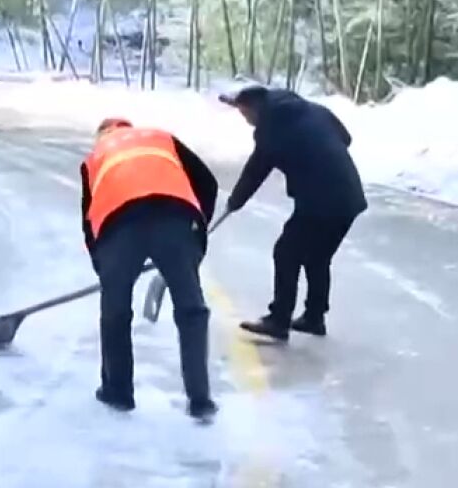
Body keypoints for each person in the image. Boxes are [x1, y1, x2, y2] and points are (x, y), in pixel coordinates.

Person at [80, 117, 220, 420]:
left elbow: (89, 221)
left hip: (119, 225)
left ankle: (118, 392)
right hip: (175, 219)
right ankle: (200, 400)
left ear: (103, 134)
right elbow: (207, 182)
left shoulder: (96, 156)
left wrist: (103, 268)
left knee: (115, 313)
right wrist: (198, 231)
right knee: (192, 311)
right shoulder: (161, 138)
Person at [220, 85, 366, 341]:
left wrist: (234, 202)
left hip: (321, 199)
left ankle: (279, 320)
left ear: (255, 108)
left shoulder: (271, 129)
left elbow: (256, 170)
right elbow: (346, 138)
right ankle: (314, 317)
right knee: (317, 257)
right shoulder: (315, 110)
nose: (246, 121)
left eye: (244, 115)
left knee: (286, 252)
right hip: (349, 196)